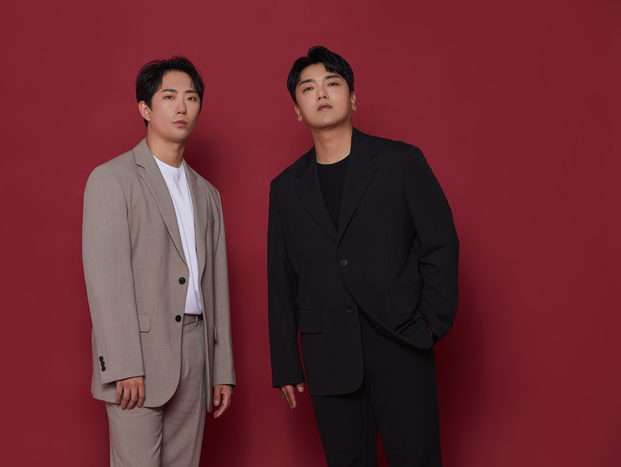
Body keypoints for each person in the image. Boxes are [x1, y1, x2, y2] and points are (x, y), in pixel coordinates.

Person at [267, 46, 458, 467]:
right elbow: (281, 280)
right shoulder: (285, 188)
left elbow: (441, 243)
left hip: (403, 343)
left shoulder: (400, 162)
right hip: (328, 354)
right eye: (308, 88)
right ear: (297, 109)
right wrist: (286, 363)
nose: (321, 93)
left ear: (352, 98)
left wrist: (430, 324)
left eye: (332, 83)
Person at [82, 57, 235, 467]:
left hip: (195, 354)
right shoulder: (112, 179)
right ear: (145, 109)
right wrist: (123, 365)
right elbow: (106, 279)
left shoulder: (208, 194)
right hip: (138, 359)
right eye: (169, 96)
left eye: (191, 97)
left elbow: (216, 285)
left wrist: (221, 369)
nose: (182, 106)